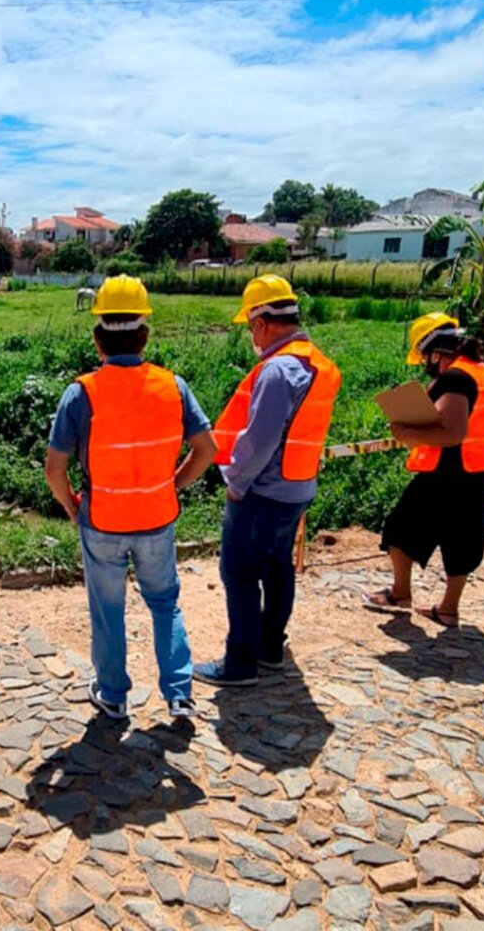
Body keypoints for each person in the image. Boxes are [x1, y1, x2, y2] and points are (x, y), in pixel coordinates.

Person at [44, 275, 217, 720]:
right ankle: (179, 694)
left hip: (102, 521)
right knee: (165, 603)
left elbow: (54, 468)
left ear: (98, 337)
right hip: (158, 518)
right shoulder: (173, 387)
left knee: (107, 610)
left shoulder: (81, 392)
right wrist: (172, 485)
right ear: (145, 335)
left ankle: (114, 695)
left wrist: (71, 506)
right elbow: (207, 449)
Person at [193, 275, 341, 688]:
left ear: (260, 323)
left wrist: (235, 482)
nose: (250, 335)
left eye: (249, 327)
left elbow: (259, 441)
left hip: (262, 492)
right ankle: (270, 648)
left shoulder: (278, 371)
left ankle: (239, 664)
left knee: (238, 572)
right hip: (298, 486)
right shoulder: (317, 363)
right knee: (277, 567)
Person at [364, 312, 484, 627]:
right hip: (475, 470)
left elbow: (452, 433)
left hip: (445, 473)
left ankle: (400, 593)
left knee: (398, 529)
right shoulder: (482, 373)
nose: (427, 363)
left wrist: (407, 433)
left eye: (426, 357)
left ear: (437, 352)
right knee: (463, 541)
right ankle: (448, 609)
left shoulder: (454, 379)